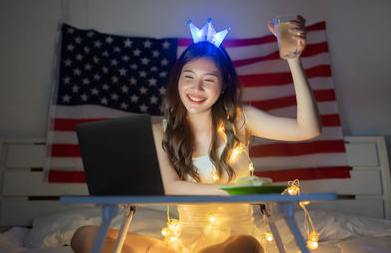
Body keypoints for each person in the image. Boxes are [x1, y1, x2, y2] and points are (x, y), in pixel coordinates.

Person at [71, 15, 321, 253]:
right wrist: (231, 191)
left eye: (209, 80)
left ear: (223, 86)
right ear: (177, 81)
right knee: (84, 235)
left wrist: (293, 60)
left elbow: (308, 129)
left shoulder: (240, 120)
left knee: (245, 248)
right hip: (181, 245)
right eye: (188, 77)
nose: (196, 88)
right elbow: (169, 187)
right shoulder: (161, 132)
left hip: (237, 243)